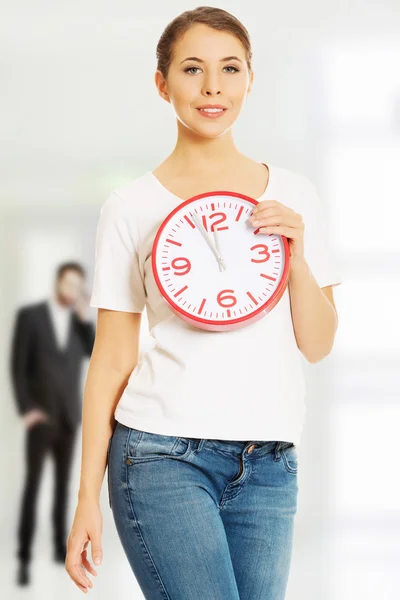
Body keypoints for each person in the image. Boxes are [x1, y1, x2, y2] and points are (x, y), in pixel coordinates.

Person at [65, 6, 343, 599]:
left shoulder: (296, 196)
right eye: (192, 69)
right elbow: (111, 359)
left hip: (270, 464)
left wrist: (296, 258)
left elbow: (317, 344)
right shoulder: (131, 205)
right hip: (162, 456)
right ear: (162, 84)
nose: (213, 87)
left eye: (230, 68)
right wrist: (86, 498)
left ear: (250, 80)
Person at [10, 261, 95, 586]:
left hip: (69, 417)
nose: (72, 290)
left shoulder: (78, 322)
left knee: (63, 487)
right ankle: (23, 555)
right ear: (58, 283)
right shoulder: (30, 317)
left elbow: (92, 351)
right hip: (41, 417)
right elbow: (18, 366)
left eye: (78, 285)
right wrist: (26, 408)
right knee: (32, 486)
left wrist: (84, 318)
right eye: (68, 283)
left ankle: (61, 549)